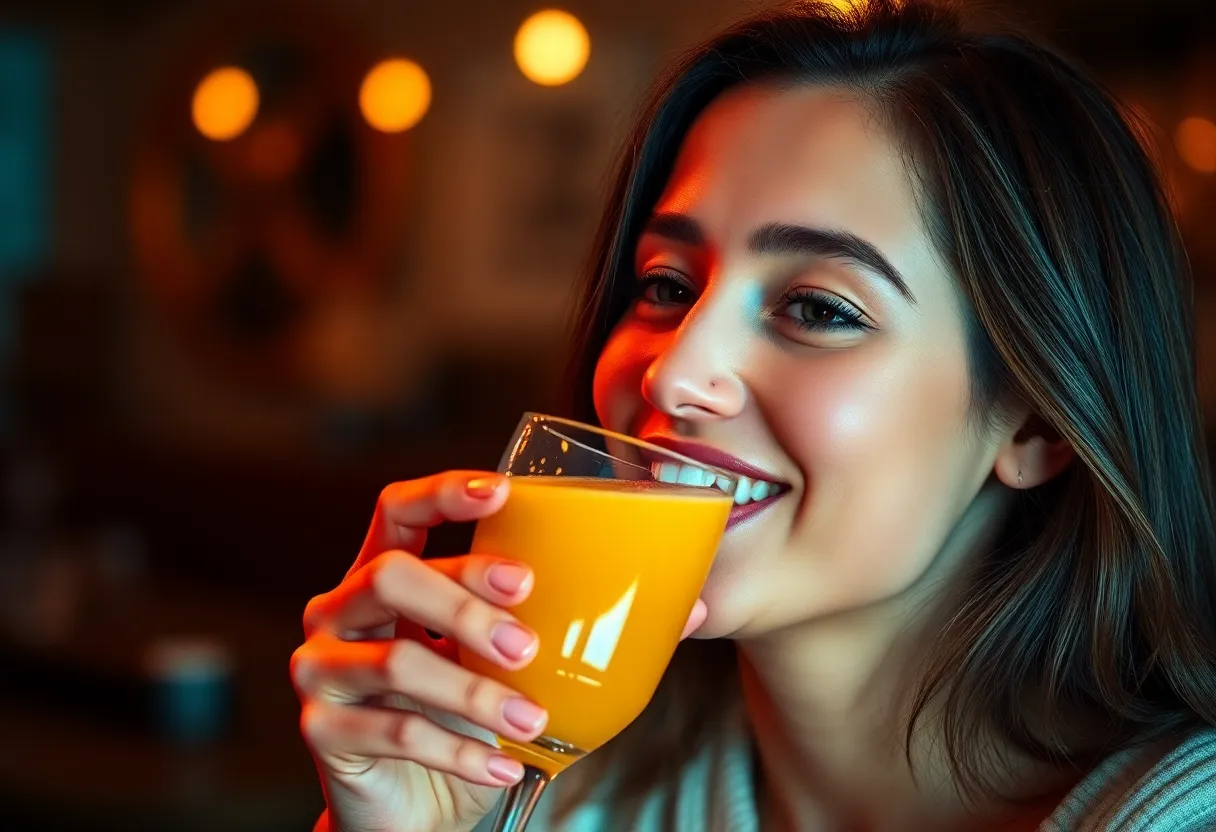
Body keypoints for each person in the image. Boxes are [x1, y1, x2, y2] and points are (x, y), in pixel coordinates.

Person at [290, 1, 1216, 829]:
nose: (673, 373)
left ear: (1036, 424)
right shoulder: (538, 789)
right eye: (665, 285)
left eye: (818, 308)